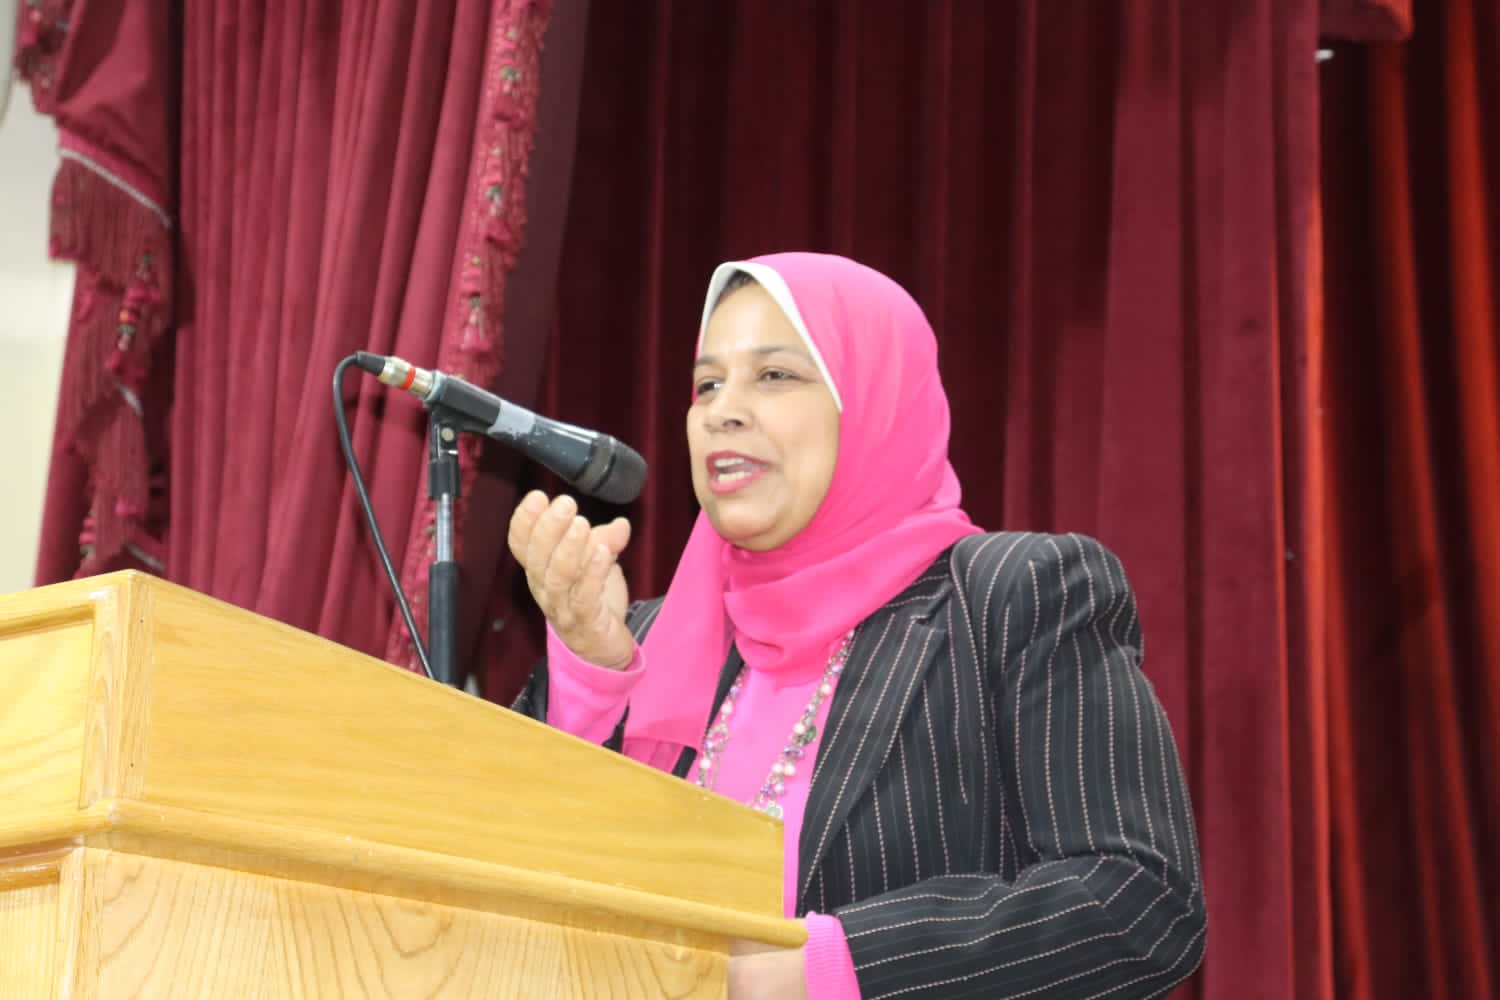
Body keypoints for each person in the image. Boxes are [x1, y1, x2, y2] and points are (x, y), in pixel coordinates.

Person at [509, 252, 1206, 998]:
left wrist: (827, 970)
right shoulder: (649, 639)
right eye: (707, 384)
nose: (722, 411)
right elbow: (509, 886)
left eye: (774, 375)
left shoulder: (1010, 596)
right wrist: (592, 677)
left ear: (874, 400)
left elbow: (1139, 899)